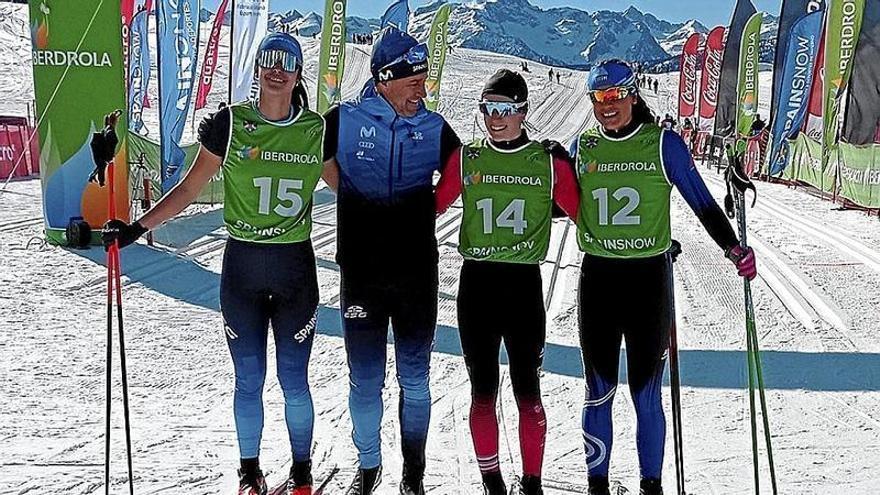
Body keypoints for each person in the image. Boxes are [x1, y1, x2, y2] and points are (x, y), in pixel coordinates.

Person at [102, 33, 326, 495]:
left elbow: (351, 190)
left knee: (293, 379)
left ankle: (301, 470)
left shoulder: (317, 130)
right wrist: (138, 228)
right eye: (267, 59)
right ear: (257, 68)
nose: (276, 69)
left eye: (287, 62)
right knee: (248, 379)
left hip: (294, 271)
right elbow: (187, 189)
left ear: (300, 73)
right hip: (242, 268)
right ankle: (250, 469)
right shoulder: (230, 125)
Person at [569, 59, 757, 495]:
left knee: (645, 395)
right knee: (597, 391)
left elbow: (701, 201)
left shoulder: (663, 144)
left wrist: (733, 248)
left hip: (647, 282)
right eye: (599, 98)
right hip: (598, 278)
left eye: (615, 96)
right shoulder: (586, 146)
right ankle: (597, 485)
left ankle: (649, 487)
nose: (607, 106)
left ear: (634, 93)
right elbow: (561, 200)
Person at [321, 26, 462, 495]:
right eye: (410, 78)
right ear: (382, 78)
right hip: (362, 274)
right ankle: (368, 468)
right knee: (364, 383)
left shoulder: (435, 126)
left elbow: (464, 166)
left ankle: (413, 475)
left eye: (423, 76)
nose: (420, 87)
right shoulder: (343, 120)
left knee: (416, 381)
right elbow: (311, 154)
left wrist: (431, 205)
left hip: (416, 275)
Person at [435, 69, 579, 495]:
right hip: (477, 285)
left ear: (523, 111)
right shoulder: (466, 158)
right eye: (487, 109)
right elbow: (435, 204)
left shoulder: (547, 161)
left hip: (522, 288)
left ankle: (531, 483)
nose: (494, 118)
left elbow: (587, 214)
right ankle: (492, 480)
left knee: (527, 392)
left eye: (504, 109)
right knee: (482, 390)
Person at [88, 110, 122, 187]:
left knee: (101, 165)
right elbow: (108, 145)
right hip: (105, 153)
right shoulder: (110, 132)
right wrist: (109, 156)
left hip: (104, 153)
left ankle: (93, 176)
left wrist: (117, 113)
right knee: (102, 165)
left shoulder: (108, 129)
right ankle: (100, 181)